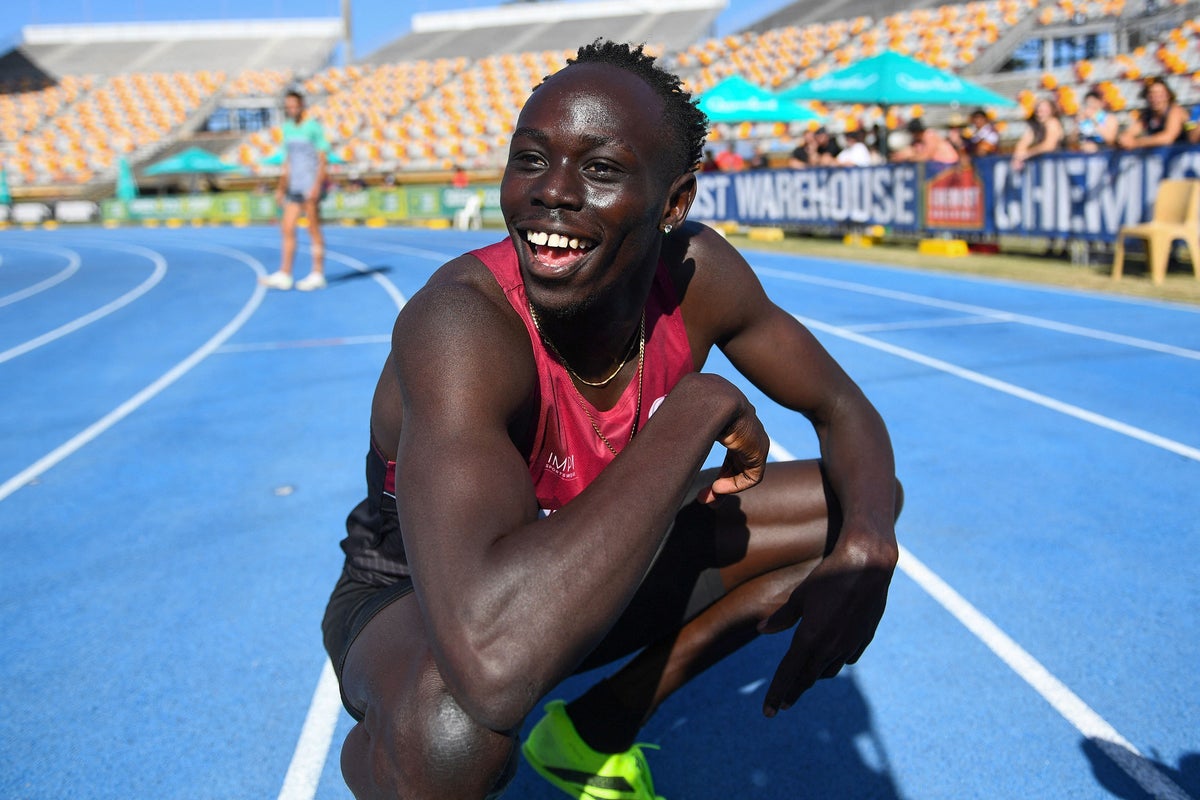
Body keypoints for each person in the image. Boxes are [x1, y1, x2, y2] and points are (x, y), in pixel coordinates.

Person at [322, 40, 901, 800]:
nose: (551, 193)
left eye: (599, 170)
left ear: (674, 202)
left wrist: (869, 549)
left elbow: (844, 408)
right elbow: (493, 666)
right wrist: (692, 410)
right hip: (420, 591)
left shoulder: (699, 276)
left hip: (597, 544)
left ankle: (593, 730)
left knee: (849, 508)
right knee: (452, 734)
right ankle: (389, 758)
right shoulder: (461, 325)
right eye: (530, 160)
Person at [260, 89, 330, 291]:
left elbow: (322, 159)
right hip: (294, 186)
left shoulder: (312, 128)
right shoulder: (287, 129)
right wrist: (281, 188)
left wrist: (317, 186)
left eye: (295, 105)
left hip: (310, 185)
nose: (291, 109)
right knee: (287, 227)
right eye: (288, 106)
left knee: (313, 228)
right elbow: (287, 162)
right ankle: (285, 273)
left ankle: (317, 273)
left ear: (302, 106)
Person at [1117, 76, 1188, 149]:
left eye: (1160, 94)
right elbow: (1132, 131)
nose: (1155, 98)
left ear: (1168, 96)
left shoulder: (1175, 111)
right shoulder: (1147, 115)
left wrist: (1136, 143)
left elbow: (1168, 137)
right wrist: (1124, 138)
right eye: (1151, 94)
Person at [1010, 97, 1064, 172]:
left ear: (1052, 111)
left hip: (1056, 165)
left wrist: (1028, 154)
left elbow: (1049, 146)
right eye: (1039, 109)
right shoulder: (1036, 126)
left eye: (1044, 110)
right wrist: (1018, 157)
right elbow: (1023, 142)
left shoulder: (1053, 122)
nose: (1040, 112)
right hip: (1044, 166)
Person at [892, 117, 960, 164]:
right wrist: (899, 156)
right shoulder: (919, 140)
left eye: (913, 133)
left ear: (917, 131)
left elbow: (926, 156)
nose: (913, 135)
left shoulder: (930, 136)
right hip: (939, 167)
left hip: (948, 165)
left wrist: (908, 158)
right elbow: (910, 151)